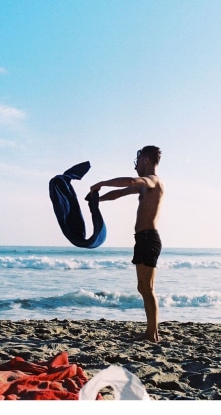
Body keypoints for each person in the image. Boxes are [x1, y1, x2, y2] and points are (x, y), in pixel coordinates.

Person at [89, 146, 164, 342]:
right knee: (142, 287)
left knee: (147, 288)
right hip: (142, 239)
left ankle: (152, 334)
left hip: (149, 239)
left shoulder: (152, 181)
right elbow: (121, 192)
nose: (135, 167)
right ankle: (151, 332)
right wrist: (97, 200)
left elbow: (131, 181)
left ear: (146, 161)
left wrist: (103, 183)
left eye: (137, 162)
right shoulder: (144, 185)